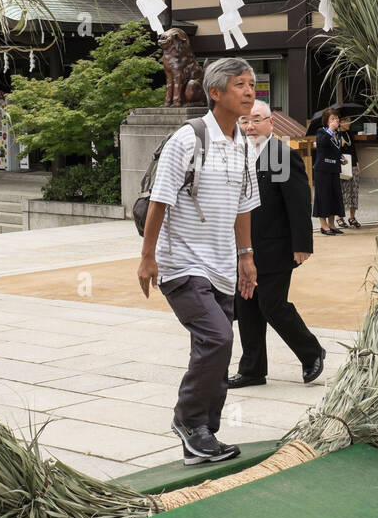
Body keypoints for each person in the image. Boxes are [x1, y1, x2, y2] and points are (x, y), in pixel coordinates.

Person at [137, 57, 260, 465]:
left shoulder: (243, 141)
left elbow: (244, 205)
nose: (249, 90)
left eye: (252, 84)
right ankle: (189, 422)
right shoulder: (189, 138)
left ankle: (202, 437)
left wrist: (246, 257)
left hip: (223, 263)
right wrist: (147, 257)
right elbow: (160, 198)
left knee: (214, 348)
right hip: (182, 263)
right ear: (216, 92)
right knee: (218, 339)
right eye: (240, 84)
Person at [229, 101, 325, 389]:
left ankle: (311, 353)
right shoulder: (239, 154)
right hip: (245, 247)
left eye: (256, 120)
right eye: (245, 121)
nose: (250, 126)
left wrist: (302, 243)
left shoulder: (279, 155)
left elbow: (297, 202)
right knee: (246, 307)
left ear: (271, 123)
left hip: (276, 246)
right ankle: (252, 370)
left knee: (272, 305)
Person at [313, 110, 345, 235]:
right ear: (326, 121)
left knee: (334, 196)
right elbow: (321, 144)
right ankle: (323, 225)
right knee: (323, 196)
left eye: (337, 119)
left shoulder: (338, 134)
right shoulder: (322, 132)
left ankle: (332, 224)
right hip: (322, 169)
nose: (335, 121)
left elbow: (336, 150)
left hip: (334, 169)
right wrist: (330, 131)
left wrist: (342, 158)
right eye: (332, 119)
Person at [338, 115, 361, 228]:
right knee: (343, 191)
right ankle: (339, 216)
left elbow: (353, 149)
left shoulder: (349, 134)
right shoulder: (336, 134)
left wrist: (357, 163)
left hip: (352, 164)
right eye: (347, 121)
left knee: (354, 190)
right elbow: (334, 152)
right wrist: (340, 145)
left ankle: (352, 217)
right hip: (342, 166)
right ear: (340, 122)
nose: (349, 123)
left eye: (349, 121)